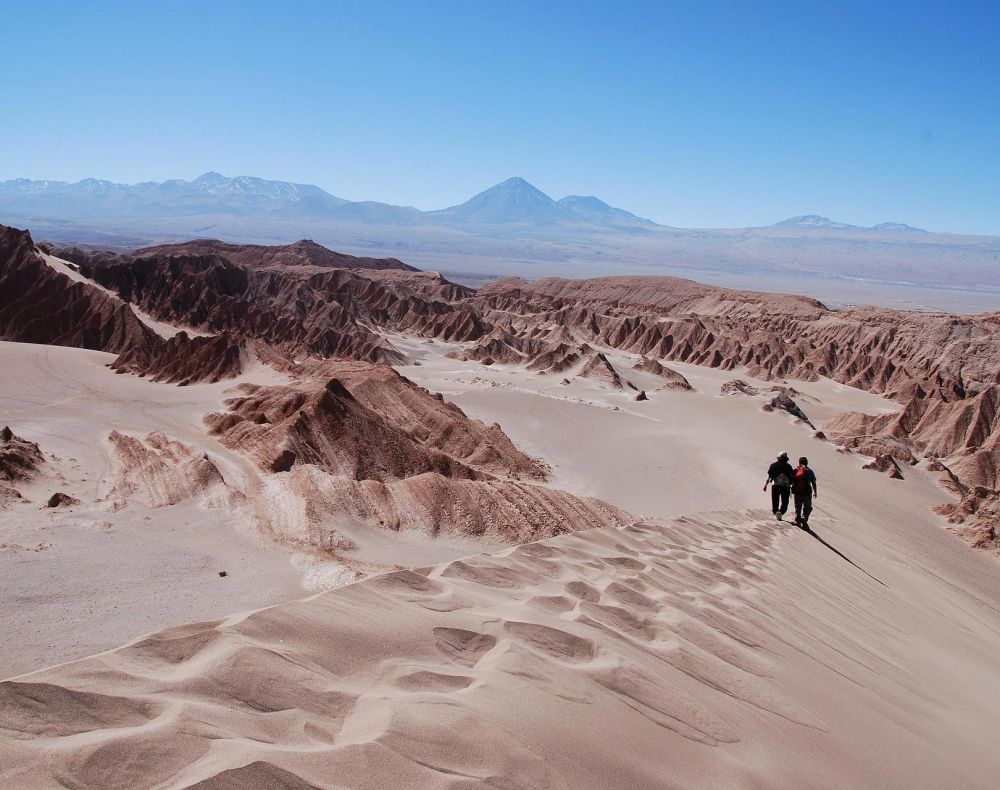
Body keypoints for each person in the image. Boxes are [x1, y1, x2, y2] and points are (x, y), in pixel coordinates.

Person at [763, 451, 794, 520]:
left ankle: (776, 512)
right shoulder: (788, 466)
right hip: (785, 487)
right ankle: (780, 512)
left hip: (775, 486)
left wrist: (766, 485)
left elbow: (769, 476)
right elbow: (792, 477)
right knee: (785, 502)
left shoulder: (773, 465)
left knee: (775, 502)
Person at [792, 456, 818, 529]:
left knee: (798, 507)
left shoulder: (795, 470)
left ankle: (797, 521)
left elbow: (792, 481)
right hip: (807, 493)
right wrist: (815, 492)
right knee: (808, 508)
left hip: (797, 493)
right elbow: (813, 482)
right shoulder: (809, 471)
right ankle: (804, 518)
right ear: (807, 462)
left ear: (799, 462)